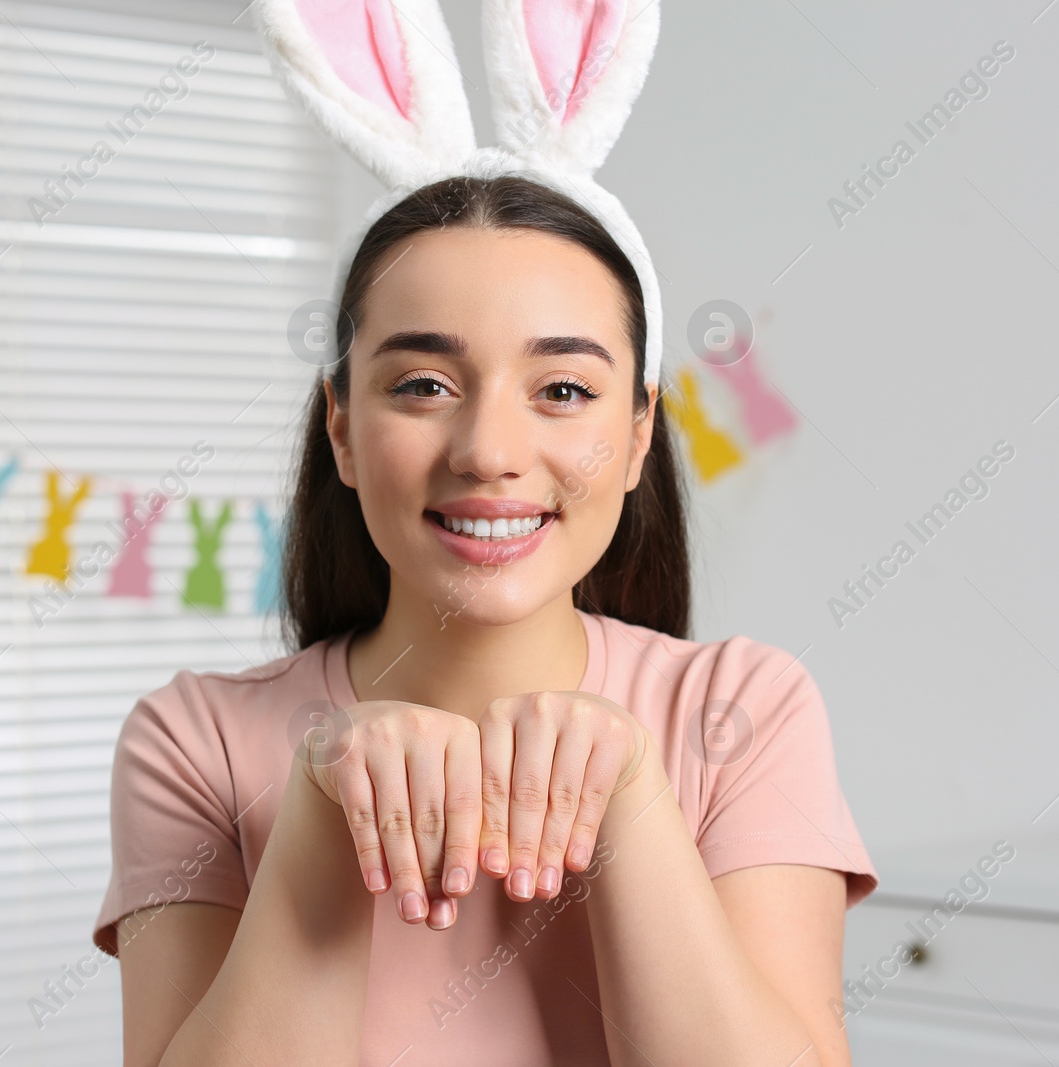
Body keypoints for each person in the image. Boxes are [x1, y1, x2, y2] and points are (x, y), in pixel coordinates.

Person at [91, 173, 878, 1066]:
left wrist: (629, 795)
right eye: (424, 384)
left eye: (565, 390)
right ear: (342, 429)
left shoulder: (743, 710)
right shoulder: (197, 741)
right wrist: (319, 811)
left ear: (638, 433)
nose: (489, 452)